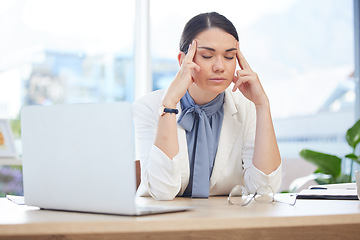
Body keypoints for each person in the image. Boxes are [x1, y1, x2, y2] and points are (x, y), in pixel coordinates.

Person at [133, 12, 282, 200]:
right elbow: (162, 191)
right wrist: (169, 105)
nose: (220, 66)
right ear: (183, 61)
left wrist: (262, 105)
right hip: (161, 223)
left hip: (224, 221)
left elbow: (264, 190)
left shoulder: (247, 108)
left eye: (229, 57)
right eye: (207, 55)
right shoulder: (148, 107)